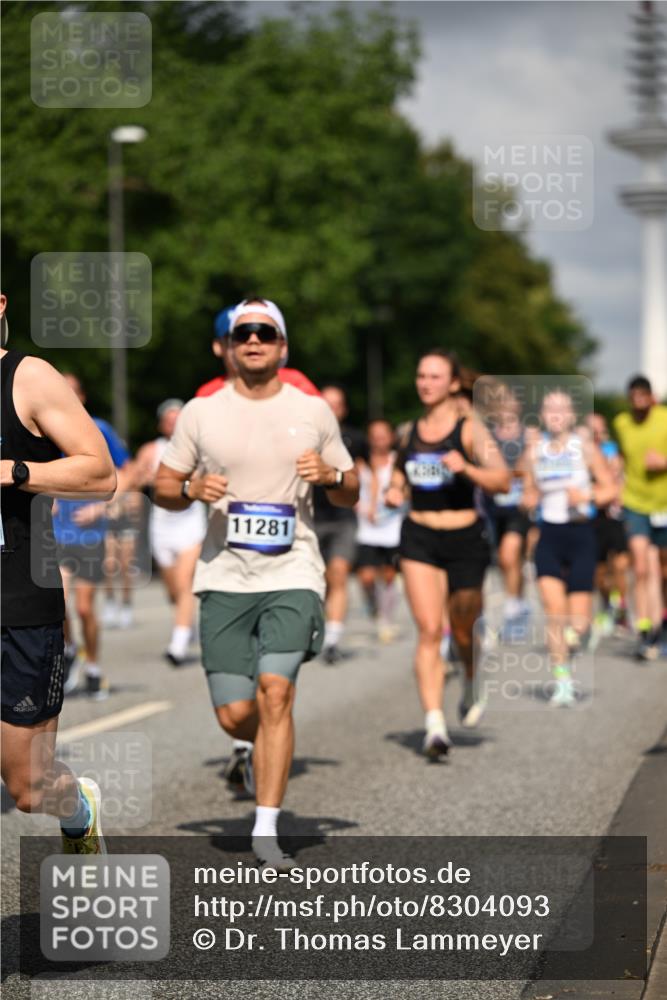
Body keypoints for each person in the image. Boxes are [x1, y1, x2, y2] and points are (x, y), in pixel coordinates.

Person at [154, 298, 358, 869]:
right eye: (243, 332)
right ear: (228, 345)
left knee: (276, 691)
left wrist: (333, 476)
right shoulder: (201, 412)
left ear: (282, 346)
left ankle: (265, 829)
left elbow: (352, 487)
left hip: (293, 570)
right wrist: (192, 490)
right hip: (224, 575)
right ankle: (252, 748)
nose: (254, 340)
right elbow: (162, 485)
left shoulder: (313, 411)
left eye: (266, 332)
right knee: (233, 714)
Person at [0, 292, 116, 853]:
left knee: (27, 788)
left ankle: (78, 807)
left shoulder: (29, 378)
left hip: (18, 601)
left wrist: (13, 470)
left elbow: (100, 473)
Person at [385, 348, 510, 757]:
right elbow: (400, 477)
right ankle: (435, 725)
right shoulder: (408, 432)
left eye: (435, 376)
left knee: (462, 631)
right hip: (419, 535)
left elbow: (502, 481)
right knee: (427, 630)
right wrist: (394, 491)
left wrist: (467, 469)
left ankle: (471, 679)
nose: (425, 383)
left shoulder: (470, 428)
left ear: (454, 383)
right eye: (421, 375)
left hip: (465, 539)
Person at [521, 390, 616, 705]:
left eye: (561, 409)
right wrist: (529, 498)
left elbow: (610, 488)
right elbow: (527, 491)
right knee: (553, 612)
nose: (555, 414)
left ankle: (577, 640)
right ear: (543, 415)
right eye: (549, 408)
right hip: (549, 535)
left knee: (578, 623)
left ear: (572, 415)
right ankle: (562, 682)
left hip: (581, 535)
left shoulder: (583, 447)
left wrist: (587, 498)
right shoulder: (536, 450)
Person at [53, 374, 132, 699]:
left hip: (88, 535)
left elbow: (127, 472)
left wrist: (102, 508)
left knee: (85, 609)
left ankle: (95, 668)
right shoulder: (42, 428)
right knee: (57, 602)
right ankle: (71, 648)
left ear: (82, 397)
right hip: (54, 532)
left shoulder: (97, 428)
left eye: (72, 392)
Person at [133, 398, 207, 664]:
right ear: (162, 424)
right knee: (173, 589)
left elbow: (206, 479)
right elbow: (134, 478)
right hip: (162, 525)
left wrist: (179, 481)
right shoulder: (151, 450)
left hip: (190, 523)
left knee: (185, 583)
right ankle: (187, 625)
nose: (174, 425)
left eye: (179, 419)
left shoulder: (199, 449)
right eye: (170, 420)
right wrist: (145, 477)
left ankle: (177, 644)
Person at [613, 375, 667, 660]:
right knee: (642, 566)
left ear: (651, 396)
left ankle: (660, 623)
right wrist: (614, 473)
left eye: (643, 396)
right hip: (634, 502)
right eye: (634, 396)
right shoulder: (622, 423)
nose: (639, 401)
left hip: (664, 503)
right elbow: (623, 454)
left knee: (661, 569)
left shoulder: (664, 418)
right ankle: (645, 627)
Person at [314, 385, 367, 664]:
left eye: (337, 404)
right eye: (327, 403)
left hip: (343, 518)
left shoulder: (355, 438)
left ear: (343, 409)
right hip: (312, 518)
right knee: (320, 580)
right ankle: (320, 629)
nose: (332, 409)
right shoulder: (305, 437)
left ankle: (333, 639)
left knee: (339, 573)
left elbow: (365, 472)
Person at [481, 387, 532, 641]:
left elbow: (533, 466)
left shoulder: (529, 435)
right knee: (507, 562)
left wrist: (528, 485)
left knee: (509, 554)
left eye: (509, 403)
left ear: (517, 407)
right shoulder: (487, 436)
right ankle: (520, 602)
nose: (504, 409)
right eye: (499, 404)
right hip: (493, 507)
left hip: (519, 506)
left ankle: (513, 609)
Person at [196, 304, 321, 398]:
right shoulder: (207, 394)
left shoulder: (295, 382)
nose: (251, 341)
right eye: (240, 335)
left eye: (263, 333)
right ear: (217, 346)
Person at [355, 419, 404, 642]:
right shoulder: (360, 464)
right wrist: (364, 509)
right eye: (375, 435)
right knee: (365, 576)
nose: (379, 439)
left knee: (388, 575)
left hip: (393, 528)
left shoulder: (398, 463)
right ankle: (373, 606)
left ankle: (385, 619)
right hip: (367, 529)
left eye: (383, 435)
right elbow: (352, 492)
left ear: (391, 437)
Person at [586, 413, 629, 635]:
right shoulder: (580, 454)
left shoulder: (613, 451)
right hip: (594, 518)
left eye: (598, 429)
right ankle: (606, 604)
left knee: (620, 566)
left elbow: (619, 477)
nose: (595, 434)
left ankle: (621, 610)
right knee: (600, 573)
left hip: (616, 517)